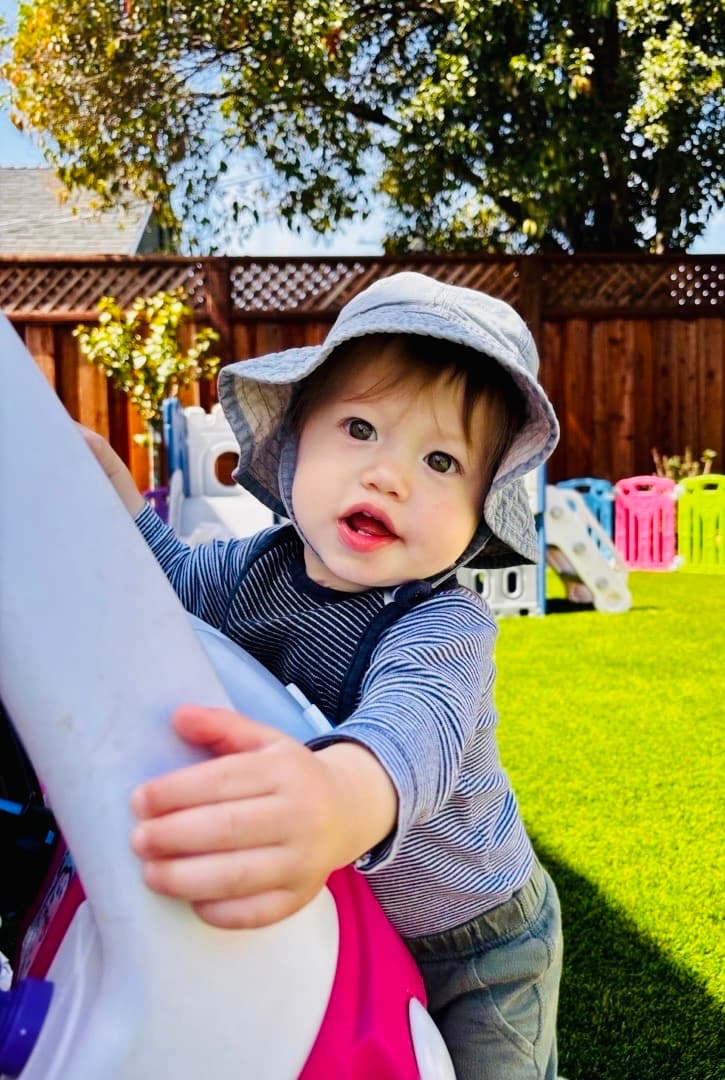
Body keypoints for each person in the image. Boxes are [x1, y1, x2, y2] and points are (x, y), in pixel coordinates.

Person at [84, 271, 563, 1078]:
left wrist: (336, 798)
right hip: (360, 919)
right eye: (361, 428)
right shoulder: (249, 572)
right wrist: (117, 504)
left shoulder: (443, 624)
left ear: (480, 514)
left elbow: (413, 733)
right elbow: (163, 592)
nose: (390, 475)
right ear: (298, 441)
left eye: (442, 459)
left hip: (480, 937)